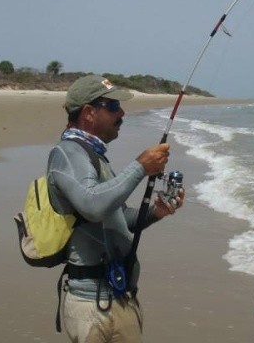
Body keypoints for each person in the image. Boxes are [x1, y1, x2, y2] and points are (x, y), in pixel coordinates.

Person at [47, 74, 184, 343]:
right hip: (91, 305)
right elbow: (93, 205)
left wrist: (156, 212)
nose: (121, 113)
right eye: (112, 106)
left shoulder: (94, 156)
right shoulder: (67, 153)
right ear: (88, 113)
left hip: (119, 296)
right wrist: (140, 167)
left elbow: (119, 218)